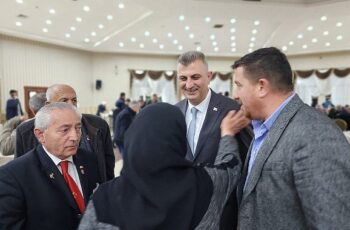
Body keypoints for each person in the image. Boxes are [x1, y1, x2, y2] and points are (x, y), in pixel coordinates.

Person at [232, 47, 350, 229]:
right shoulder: (261, 128)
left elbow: (333, 223)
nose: (235, 95)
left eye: (239, 85)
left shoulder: (316, 134)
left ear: (261, 87)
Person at [78, 103, 246, 230]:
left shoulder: (103, 199)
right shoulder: (207, 182)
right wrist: (227, 134)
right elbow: (231, 166)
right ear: (179, 139)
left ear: (133, 138)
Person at [176, 50, 252, 229]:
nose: (189, 84)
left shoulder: (231, 109)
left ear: (209, 76)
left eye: (195, 77)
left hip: (222, 214)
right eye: (183, 78)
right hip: (184, 214)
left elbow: (249, 160)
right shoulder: (174, 112)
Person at [0, 102, 101, 229]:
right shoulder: (13, 176)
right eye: (65, 130)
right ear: (40, 134)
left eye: (78, 128)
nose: (75, 137)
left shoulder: (88, 159)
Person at [15, 84, 115, 182]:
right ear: (48, 105)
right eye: (64, 101)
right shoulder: (26, 131)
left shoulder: (97, 125)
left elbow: (108, 164)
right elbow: (21, 171)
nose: (71, 105)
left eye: (74, 100)